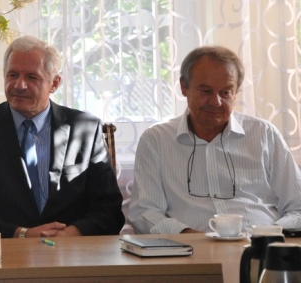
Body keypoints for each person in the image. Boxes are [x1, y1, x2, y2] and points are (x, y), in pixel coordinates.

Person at [0, 36, 124, 238]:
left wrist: (73, 233)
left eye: (32, 77)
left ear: (54, 83)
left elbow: (109, 209)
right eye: (13, 75)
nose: (19, 85)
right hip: (6, 251)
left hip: (73, 252)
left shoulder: (85, 129)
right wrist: (22, 234)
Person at [129, 46, 301, 234]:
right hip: (189, 248)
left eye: (225, 92)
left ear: (236, 92)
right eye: (205, 91)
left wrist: (268, 235)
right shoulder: (156, 140)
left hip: (261, 246)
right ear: (184, 87)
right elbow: (144, 212)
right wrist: (187, 236)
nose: (216, 102)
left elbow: (298, 206)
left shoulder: (264, 134)